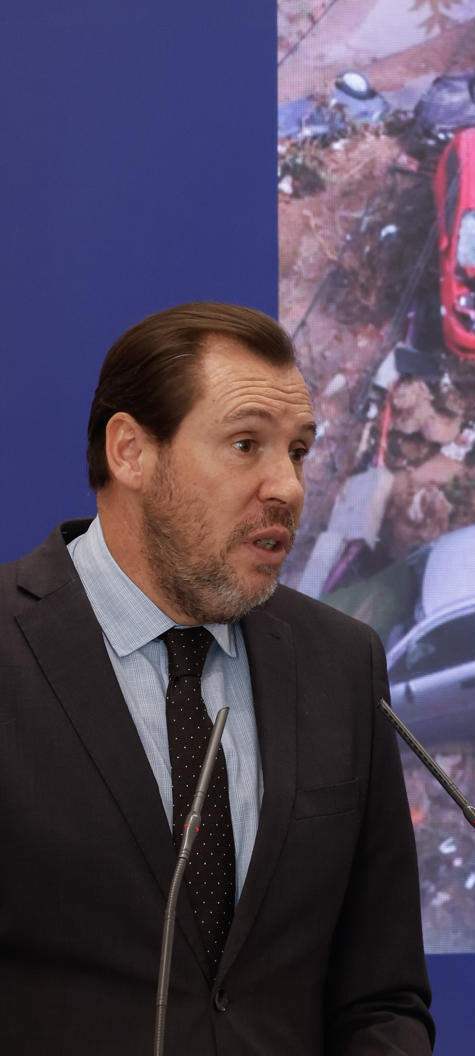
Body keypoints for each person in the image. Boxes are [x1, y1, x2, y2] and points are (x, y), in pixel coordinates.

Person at [0, 300, 434, 1053]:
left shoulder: (341, 662)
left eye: (297, 451)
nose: (289, 488)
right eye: (245, 445)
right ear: (131, 451)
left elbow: (382, 996)